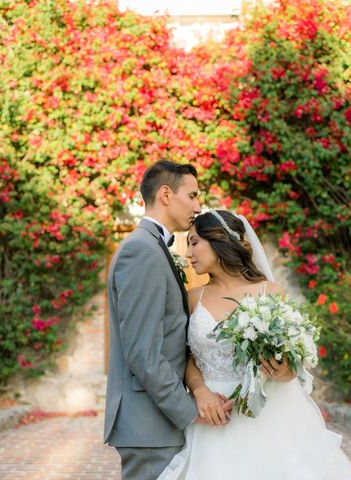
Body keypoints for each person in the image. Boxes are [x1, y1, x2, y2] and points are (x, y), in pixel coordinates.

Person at [158, 209, 351, 480]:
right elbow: (187, 356)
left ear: (219, 240)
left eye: (194, 242)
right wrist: (199, 391)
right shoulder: (193, 296)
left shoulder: (271, 293)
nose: (188, 253)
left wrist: (281, 370)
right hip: (213, 416)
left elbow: (291, 366)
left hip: (268, 415)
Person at [104, 161, 232, 480]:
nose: (198, 205)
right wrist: (188, 411)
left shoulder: (153, 246)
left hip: (155, 424)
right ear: (165, 194)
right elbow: (143, 353)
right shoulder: (142, 250)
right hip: (149, 426)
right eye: (192, 195)